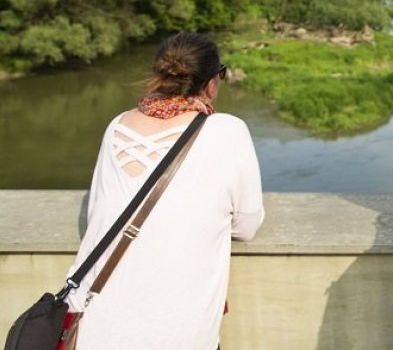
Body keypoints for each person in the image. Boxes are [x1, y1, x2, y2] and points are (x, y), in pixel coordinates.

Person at [65, 32, 265, 350]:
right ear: (211, 83)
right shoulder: (228, 130)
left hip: (93, 325)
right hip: (179, 331)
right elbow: (246, 226)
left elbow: (98, 214)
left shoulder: (117, 125)